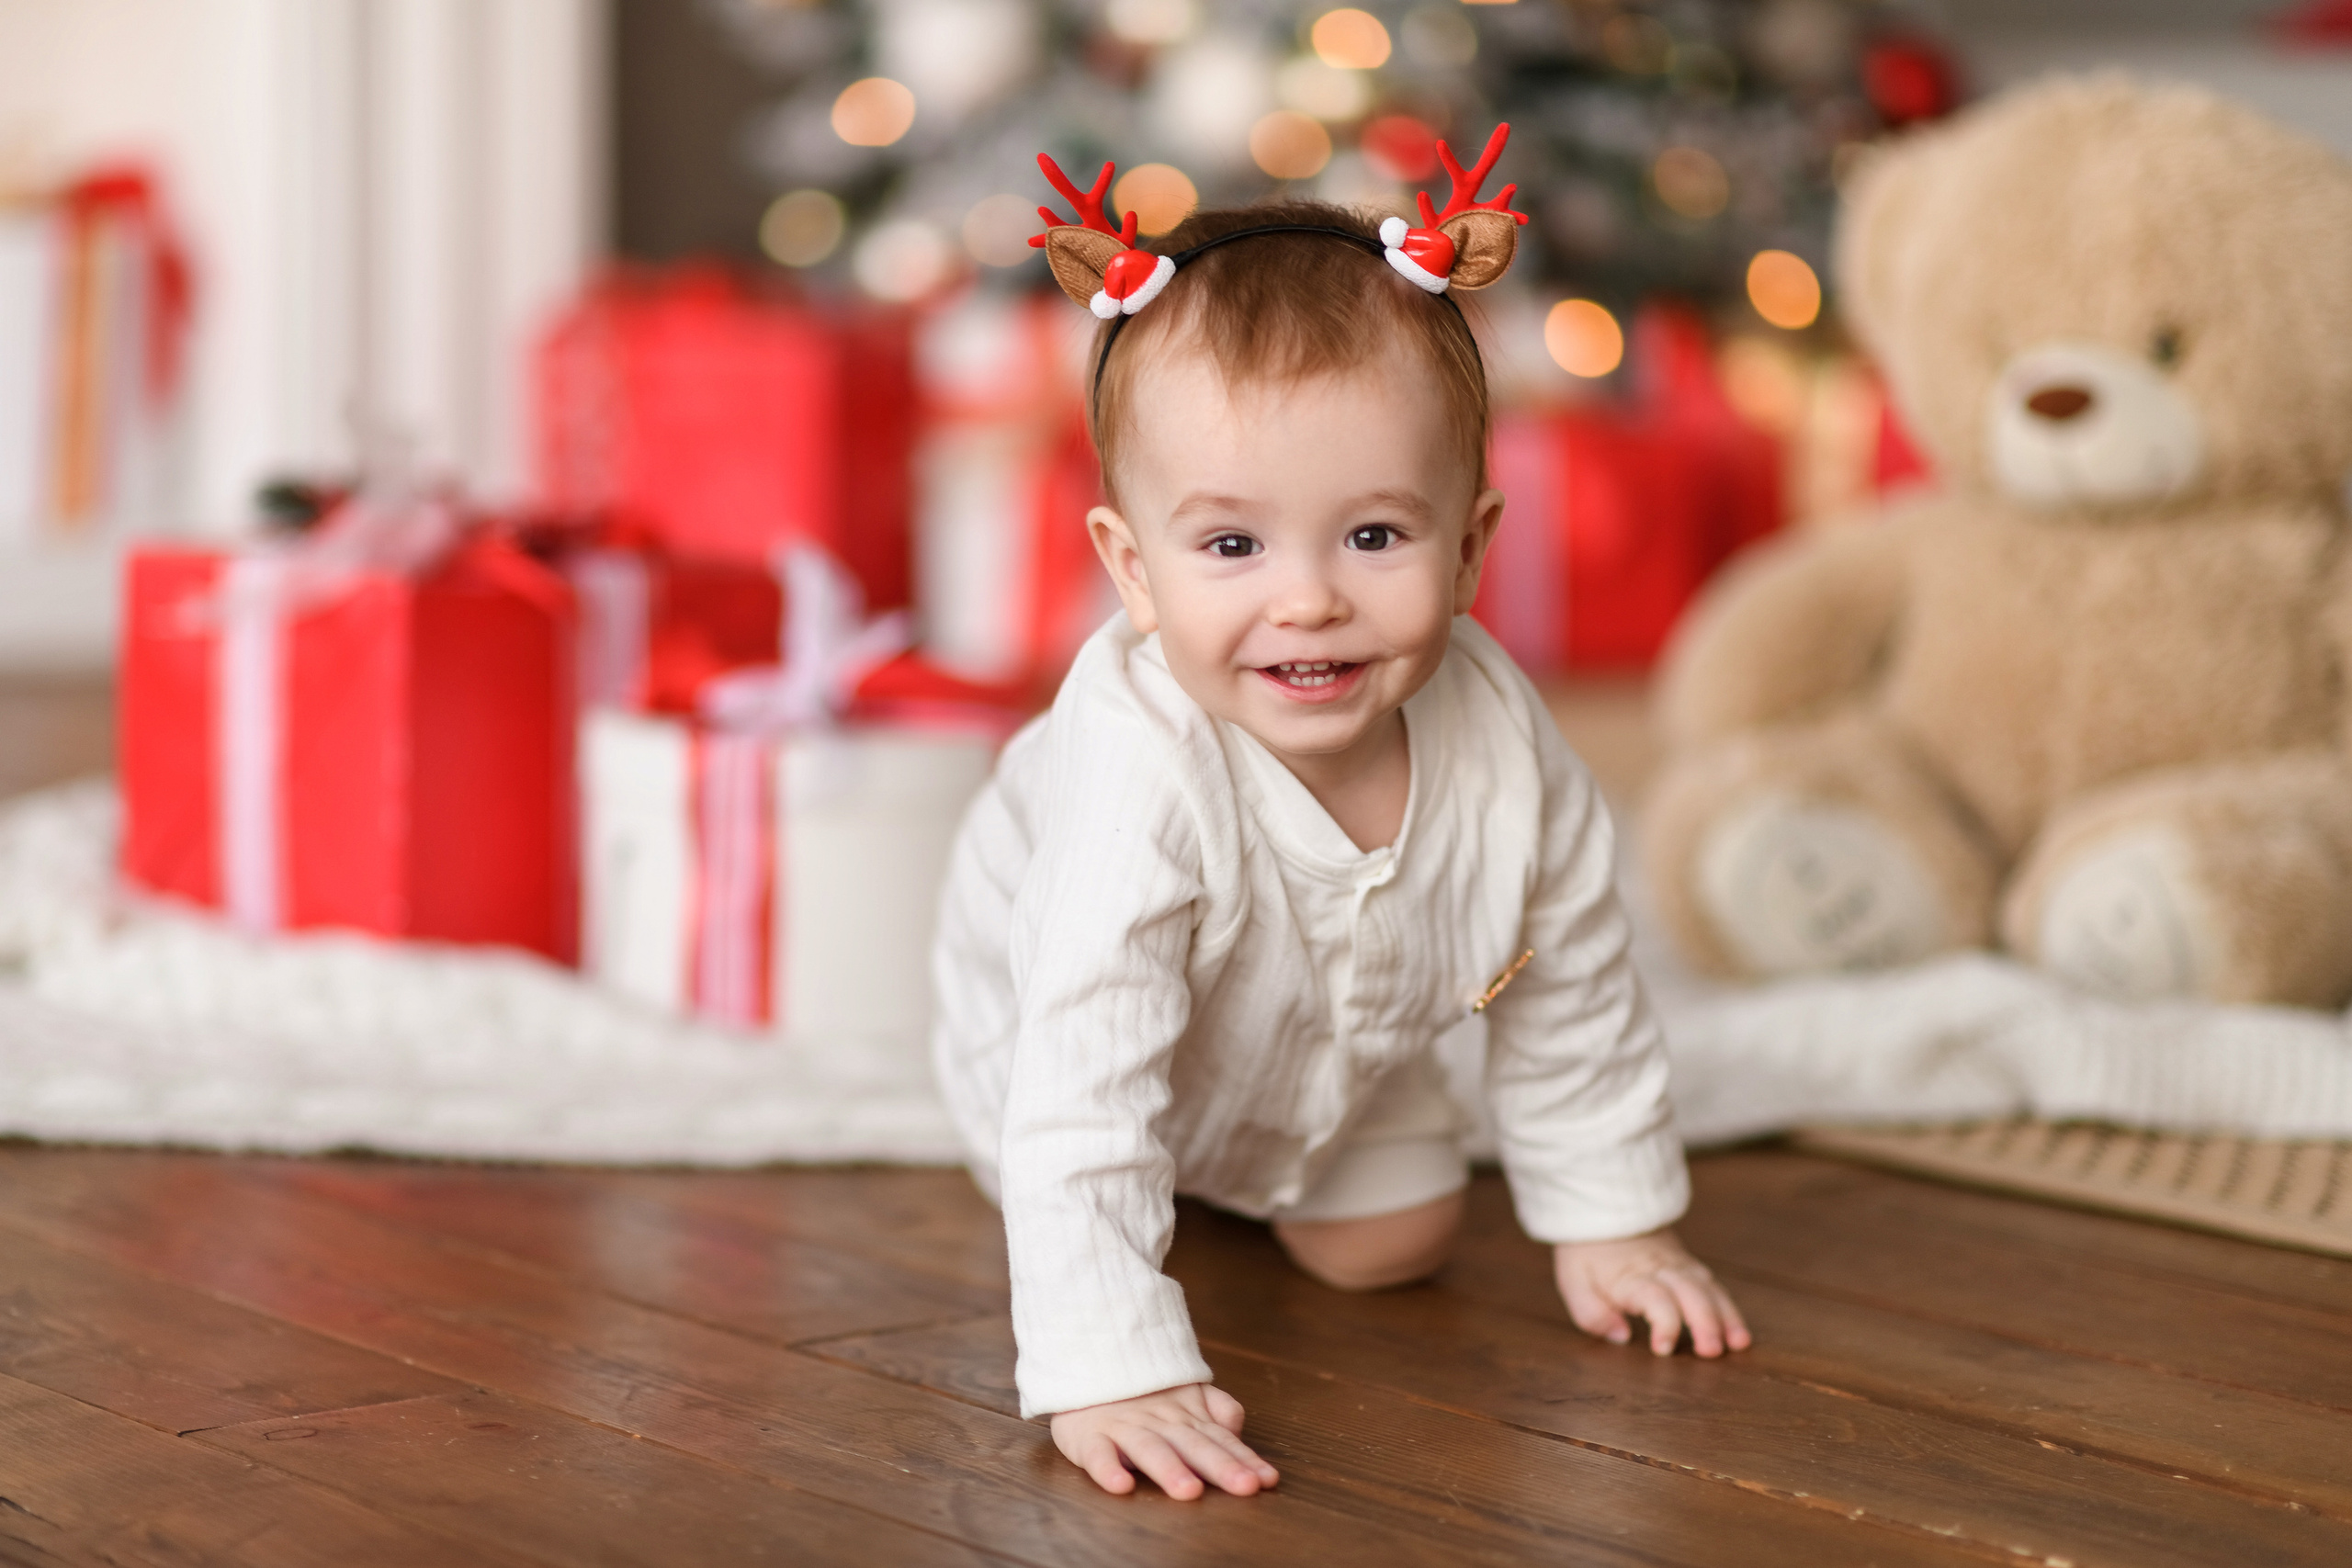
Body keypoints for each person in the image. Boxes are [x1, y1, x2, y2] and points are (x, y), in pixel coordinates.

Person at [931, 130, 1749, 1504]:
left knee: (1401, 1242)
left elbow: (1576, 985)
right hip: (1048, 1046)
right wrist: (1111, 1360)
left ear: (1472, 547)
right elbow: (1078, 1085)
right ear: (1132, 571)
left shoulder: (1502, 745)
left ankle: (1245, 1161)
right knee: (1095, 1163)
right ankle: (1160, 1206)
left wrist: (1618, 1223)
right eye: (1232, 546)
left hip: (1331, 1039)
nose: (1306, 599)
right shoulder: (1140, 773)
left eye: (1374, 537)